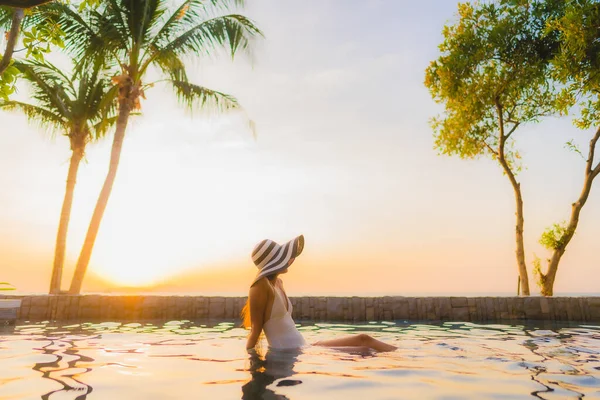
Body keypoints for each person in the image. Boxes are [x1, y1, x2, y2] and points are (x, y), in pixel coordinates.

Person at [241, 235, 397, 353]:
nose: (288, 259)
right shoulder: (260, 287)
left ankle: (403, 355)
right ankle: (406, 357)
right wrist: (249, 364)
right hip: (290, 352)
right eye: (282, 257)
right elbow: (256, 331)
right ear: (274, 263)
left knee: (364, 346)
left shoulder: (278, 284)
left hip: (303, 347)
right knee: (364, 340)